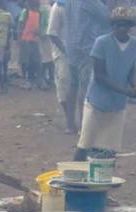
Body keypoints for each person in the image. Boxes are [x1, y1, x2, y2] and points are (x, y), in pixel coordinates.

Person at [74, 7, 136, 161]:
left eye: (124, 25)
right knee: (85, 143)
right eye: (117, 25)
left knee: (110, 149)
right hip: (97, 101)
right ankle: (74, 177)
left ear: (130, 26)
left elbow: (132, 69)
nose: (121, 28)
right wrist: (127, 92)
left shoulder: (135, 44)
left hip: (117, 104)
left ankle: (102, 182)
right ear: (112, 26)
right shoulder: (102, 42)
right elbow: (99, 76)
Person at [65, 0, 112, 124]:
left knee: (73, 84)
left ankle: (70, 124)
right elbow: (108, 16)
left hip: (72, 46)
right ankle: (83, 125)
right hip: (86, 47)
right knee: (85, 86)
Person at [47, 0, 76, 129]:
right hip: (63, 54)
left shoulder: (77, 5)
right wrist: (66, 51)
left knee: (77, 86)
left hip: (78, 52)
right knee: (64, 84)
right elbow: (52, 34)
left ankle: (74, 120)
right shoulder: (57, 8)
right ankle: (70, 120)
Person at [19, 0, 49, 88]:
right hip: (25, 39)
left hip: (35, 40)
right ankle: (25, 80)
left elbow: (40, 26)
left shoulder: (39, 13)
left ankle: (40, 80)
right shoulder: (25, 12)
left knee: (37, 60)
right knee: (25, 61)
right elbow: (20, 25)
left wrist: (39, 32)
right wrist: (19, 38)